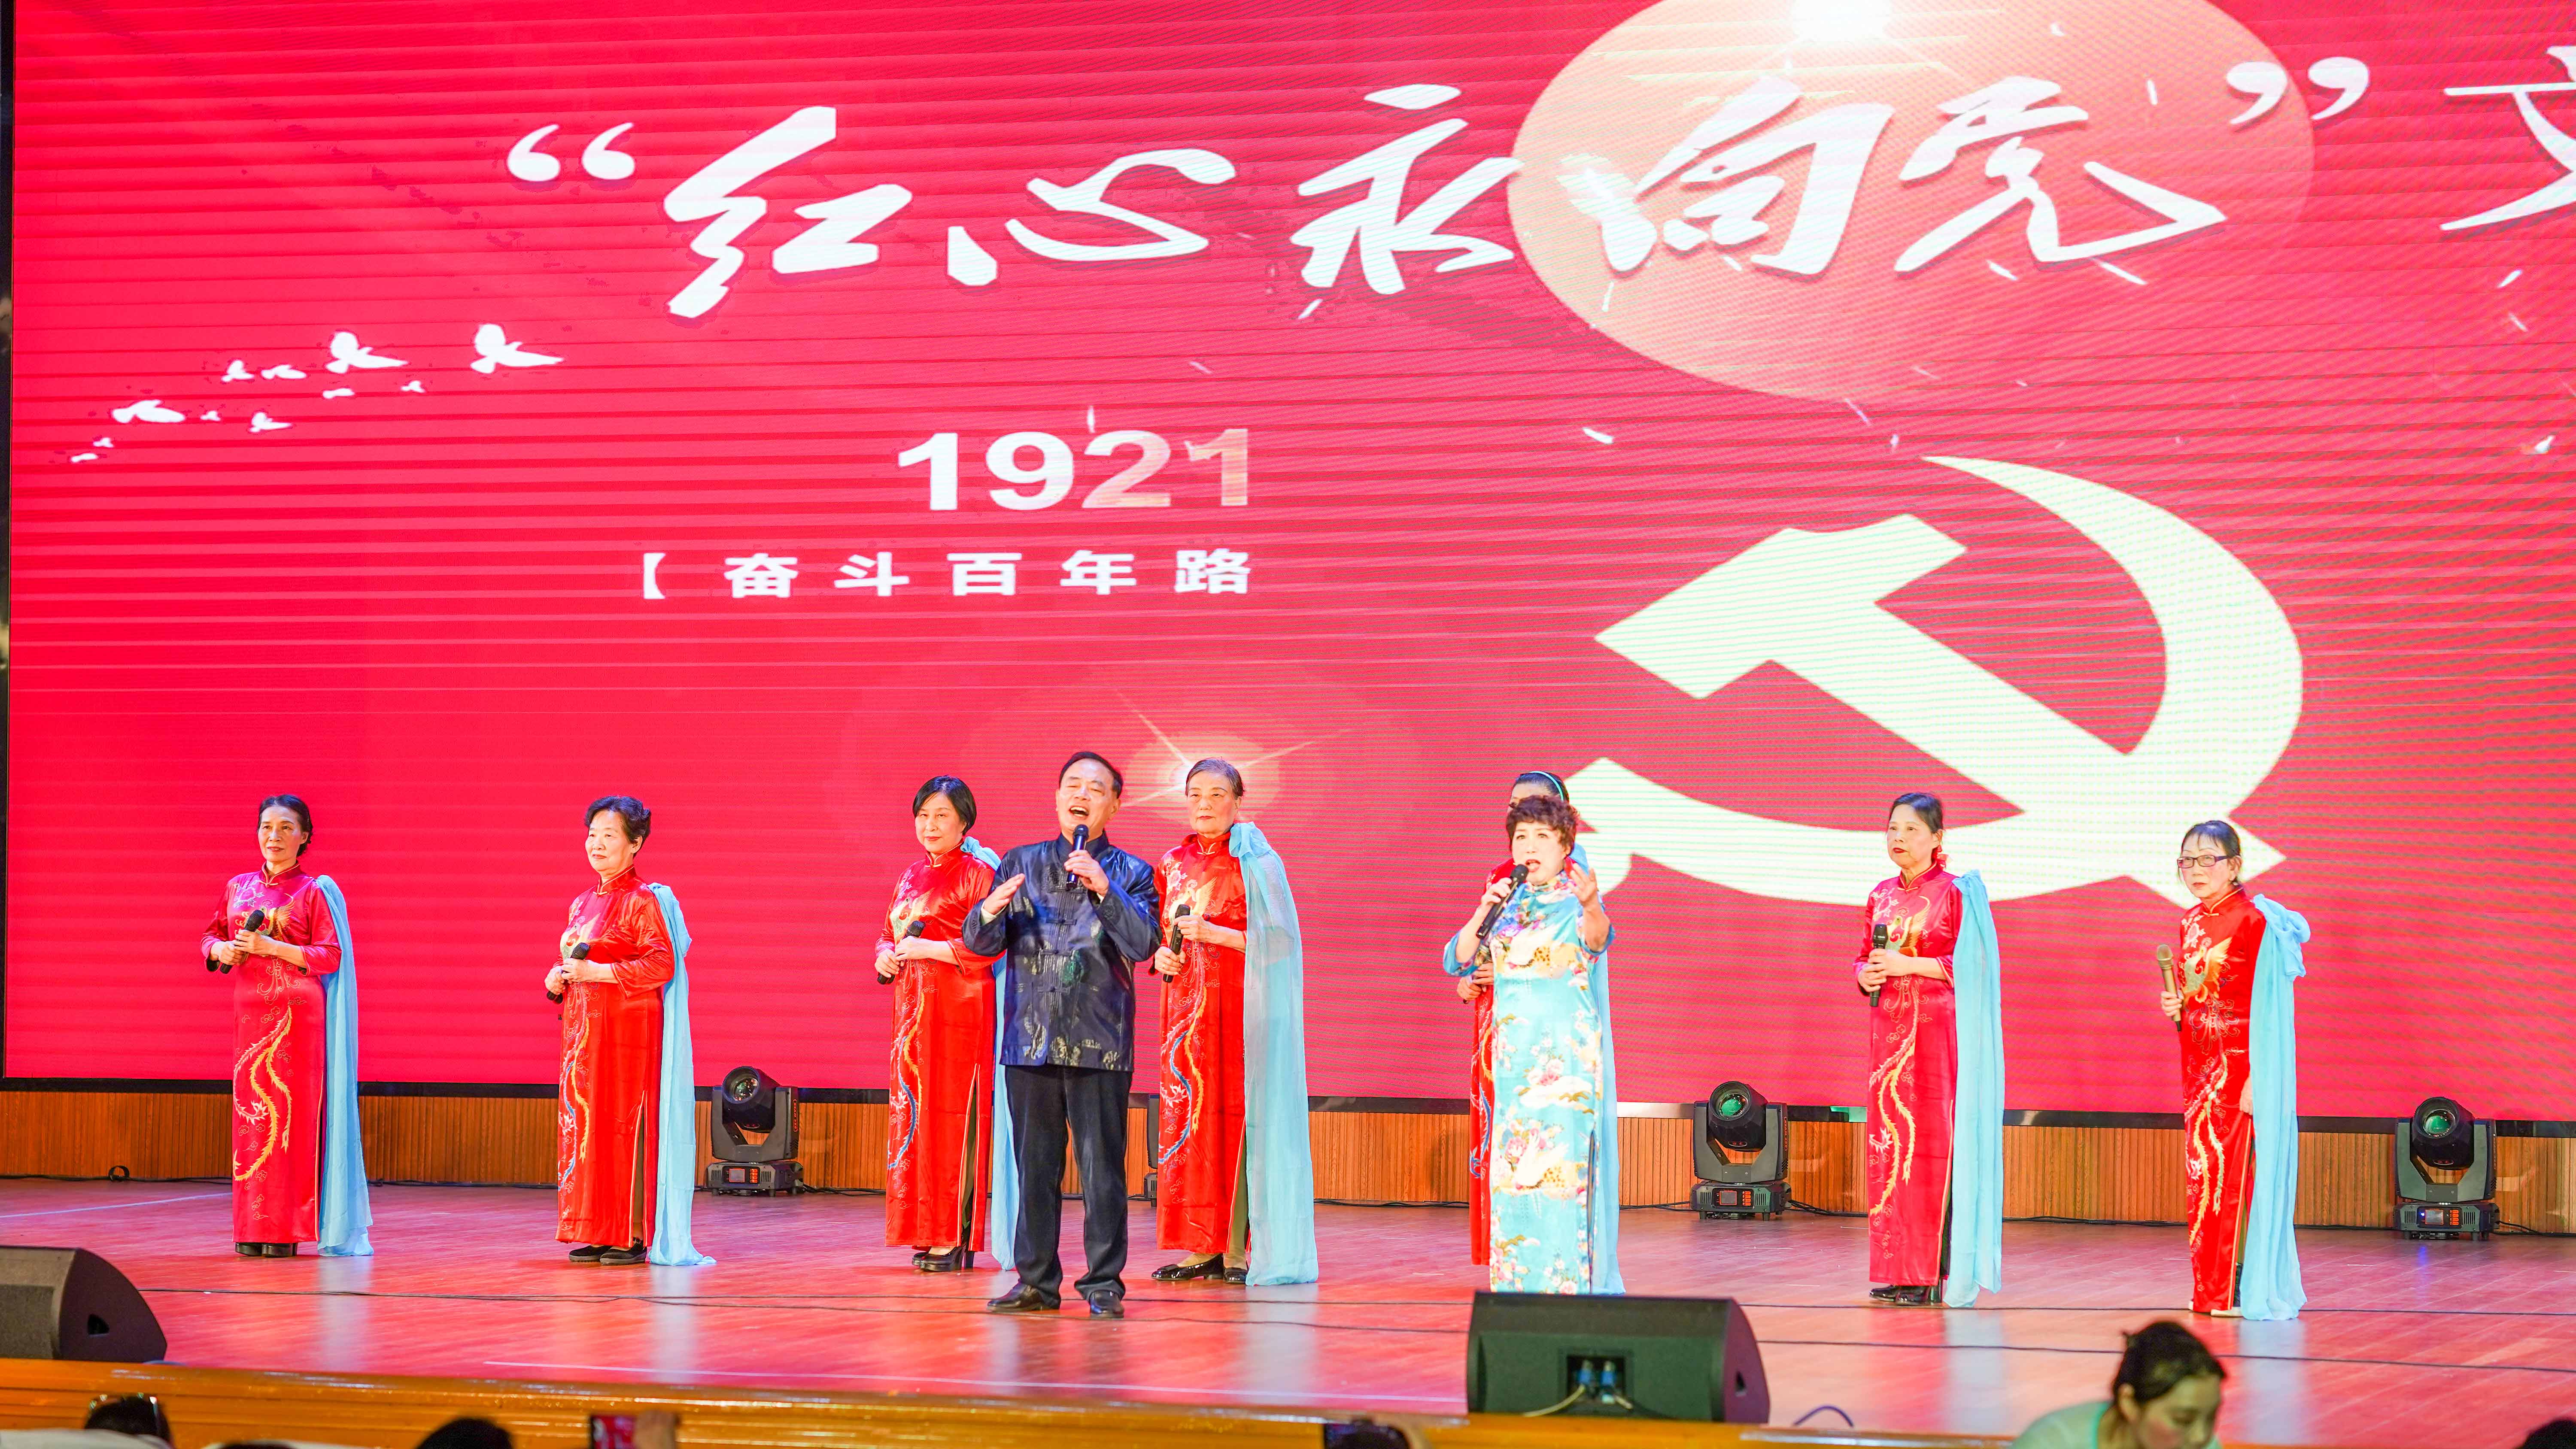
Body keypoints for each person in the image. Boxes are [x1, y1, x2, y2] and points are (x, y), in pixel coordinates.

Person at [963, 752, 1162, 1317]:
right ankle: (1035, 1283)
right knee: (1036, 1170)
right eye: (1073, 785)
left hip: (1101, 1041)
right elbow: (980, 945)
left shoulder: (1133, 872)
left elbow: (1144, 944)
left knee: (1102, 1172)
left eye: (1096, 788)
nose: (1082, 795)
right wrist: (988, 910)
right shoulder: (1019, 862)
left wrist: (1105, 890)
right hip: (1030, 1039)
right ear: (1057, 798)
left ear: (1114, 805)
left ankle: (1103, 1283)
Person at [1147, 758, 1318, 1287]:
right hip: (1185, 1018)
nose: (1205, 803)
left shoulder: (1258, 862)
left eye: (1218, 793)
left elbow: (1283, 941)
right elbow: (1162, 936)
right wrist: (1162, 955)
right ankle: (1201, 1245)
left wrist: (1217, 934)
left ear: (1239, 801)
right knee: (1193, 1121)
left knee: (1238, 1119)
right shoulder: (1171, 863)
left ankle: (1238, 1248)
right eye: (1196, 793)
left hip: (1243, 1013)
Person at [1447, 793, 1619, 1293]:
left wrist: (1591, 904)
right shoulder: (1506, 903)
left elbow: (1597, 940)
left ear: (1566, 846)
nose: (1530, 846)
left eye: (1543, 836)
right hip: (1515, 1063)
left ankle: (1566, 1289)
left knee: (1561, 1179)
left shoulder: (1575, 901)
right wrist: (1483, 909)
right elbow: (1456, 960)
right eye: (1521, 836)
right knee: (1515, 1179)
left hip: (1565, 1065)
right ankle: (1517, 1287)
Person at [195, 795, 371, 1258]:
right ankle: (251, 1226)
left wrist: (271, 947)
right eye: (267, 827)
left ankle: (286, 1230)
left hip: (297, 1016)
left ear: (305, 836)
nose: (274, 836)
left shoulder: (313, 891)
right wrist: (220, 951)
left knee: (289, 1117)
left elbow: (330, 955)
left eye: (286, 828)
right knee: (252, 1116)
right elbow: (211, 935)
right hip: (250, 1013)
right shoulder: (237, 887)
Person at [1854, 791, 2004, 1307]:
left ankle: (1930, 1273)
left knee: (1932, 1150)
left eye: (1912, 830)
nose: (1898, 838)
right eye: (1893, 828)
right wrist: (1866, 973)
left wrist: (1908, 965)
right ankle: (1898, 1270)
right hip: (1888, 1040)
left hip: (1939, 1040)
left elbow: (1976, 968)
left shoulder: (1957, 893)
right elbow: (1864, 956)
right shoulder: (1879, 895)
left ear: (1938, 837)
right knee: (1891, 1149)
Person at [546, 796, 709, 1267]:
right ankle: (598, 1229)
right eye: (592, 835)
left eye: (609, 836)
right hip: (584, 1035)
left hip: (627, 1032)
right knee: (589, 1126)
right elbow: (576, 960)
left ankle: (630, 1232)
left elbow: (662, 963)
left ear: (635, 844)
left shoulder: (642, 900)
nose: (596, 844)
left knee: (622, 1125)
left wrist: (598, 973)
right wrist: (557, 977)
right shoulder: (582, 902)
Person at [2160, 819, 2310, 1319]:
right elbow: (2202, 998)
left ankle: (2237, 1288)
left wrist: (2259, 1077)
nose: (2196, 869)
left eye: (2208, 859)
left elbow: (2269, 1010)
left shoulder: (2255, 921)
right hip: (2199, 1070)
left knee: (2234, 1179)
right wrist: (2180, 1005)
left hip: (2241, 1070)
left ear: (2235, 865)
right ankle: (2210, 1289)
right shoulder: (2189, 922)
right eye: (2187, 860)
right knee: (2203, 1176)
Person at [875, 776, 1002, 1272]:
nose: (930, 825)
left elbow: (993, 943)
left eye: (942, 815)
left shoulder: (978, 874)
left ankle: (954, 1234)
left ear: (964, 822)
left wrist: (929, 948)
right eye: (923, 815)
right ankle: (924, 1229)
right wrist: (885, 955)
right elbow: (888, 933)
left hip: (960, 1012)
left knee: (951, 1120)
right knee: (916, 1117)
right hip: (911, 1015)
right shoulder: (910, 875)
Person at [2010, 1320, 2225, 1449]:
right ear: (2129, 1403)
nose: (2201, 1437)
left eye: (2211, 1417)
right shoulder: (2052, 1442)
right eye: (2183, 1420)